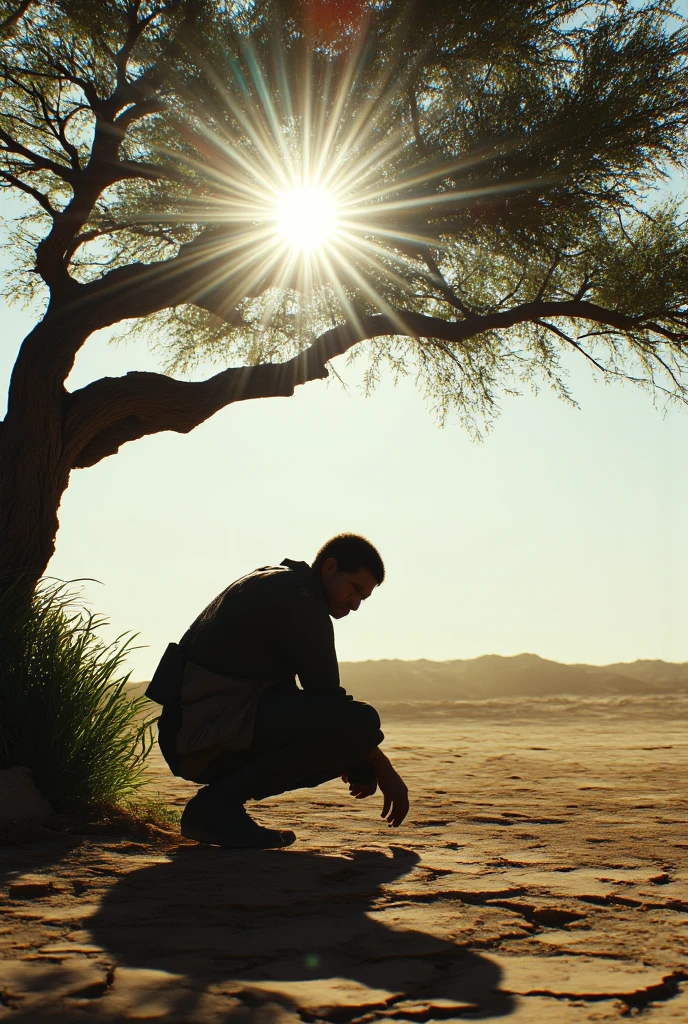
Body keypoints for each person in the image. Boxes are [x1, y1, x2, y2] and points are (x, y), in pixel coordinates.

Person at [147, 533, 409, 849]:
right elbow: (329, 702)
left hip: (196, 730)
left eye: (362, 599)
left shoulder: (284, 584)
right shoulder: (300, 598)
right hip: (202, 732)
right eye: (354, 589)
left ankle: (217, 807)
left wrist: (359, 759)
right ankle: (214, 807)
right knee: (361, 722)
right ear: (330, 567)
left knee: (352, 734)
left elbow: (309, 705)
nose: (354, 605)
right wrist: (381, 765)